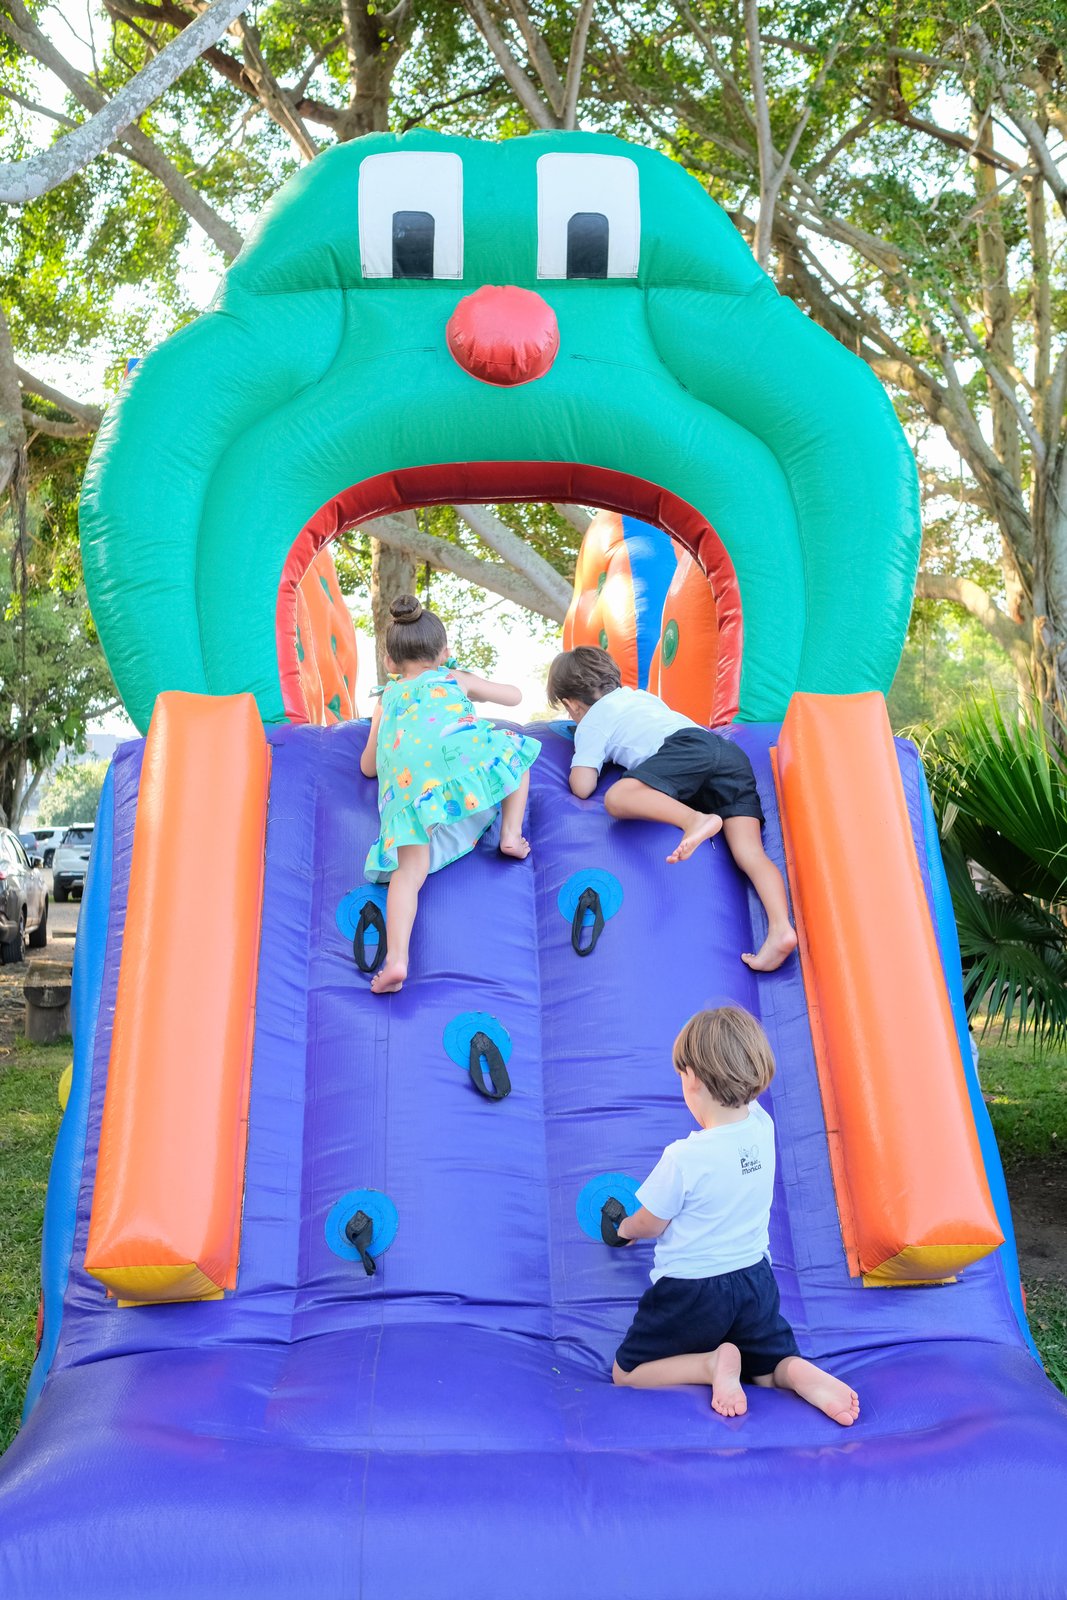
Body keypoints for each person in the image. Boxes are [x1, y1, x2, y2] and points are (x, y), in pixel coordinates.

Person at [603, 1006, 859, 1425]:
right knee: (767, 1369)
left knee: (626, 1373)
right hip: (755, 1282)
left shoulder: (684, 1157)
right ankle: (796, 1371)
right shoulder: (762, 1125)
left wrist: (626, 1228)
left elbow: (651, 1222)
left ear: (692, 1080)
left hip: (692, 1293)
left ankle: (710, 1364)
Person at [546, 645, 796, 972]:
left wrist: (583, 749)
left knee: (618, 798)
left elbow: (583, 786)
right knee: (750, 853)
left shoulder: (592, 720)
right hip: (726, 754)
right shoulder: (640, 697)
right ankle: (780, 927)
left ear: (571, 704)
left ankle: (694, 820)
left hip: (685, 751)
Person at [360, 595, 540, 994]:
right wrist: (464, 678)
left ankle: (396, 960)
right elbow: (514, 696)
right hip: (459, 762)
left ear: (389, 663)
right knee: (515, 754)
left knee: (408, 874)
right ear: (444, 652)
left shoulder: (386, 698)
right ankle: (511, 835)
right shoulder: (453, 678)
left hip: (411, 793)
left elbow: (368, 767)